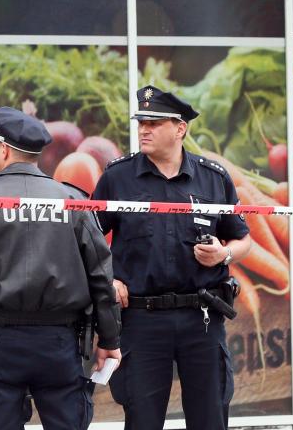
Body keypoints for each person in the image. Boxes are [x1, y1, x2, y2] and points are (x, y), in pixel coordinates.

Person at [0, 106, 122, 430]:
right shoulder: (72, 201)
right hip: (59, 343)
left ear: (3, 149)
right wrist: (109, 338)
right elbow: (101, 276)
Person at [92, 85, 252, 430]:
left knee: (210, 418)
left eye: (154, 123)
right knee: (143, 420)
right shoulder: (117, 177)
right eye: (141, 122)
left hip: (202, 318)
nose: (144, 129)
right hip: (142, 320)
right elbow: (86, 240)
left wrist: (223, 255)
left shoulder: (213, 178)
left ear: (180, 129)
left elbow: (243, 240)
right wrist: (109, 279)